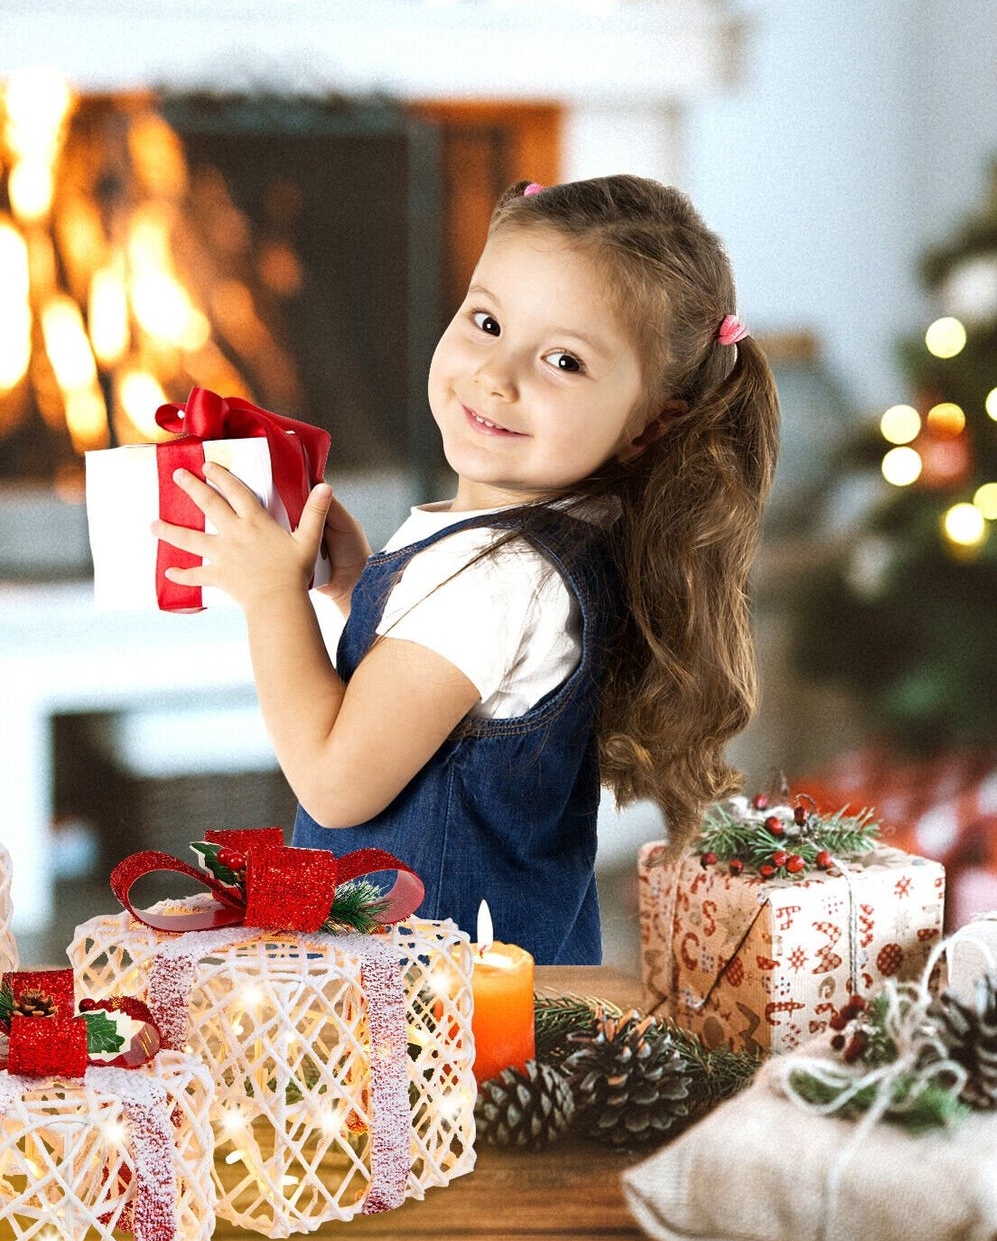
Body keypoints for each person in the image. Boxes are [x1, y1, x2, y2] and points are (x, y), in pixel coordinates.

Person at [152, 175, 780, 963]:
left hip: (428, 1009)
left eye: (563, 360)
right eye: (485, 321)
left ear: (649, 424)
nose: (495, 373)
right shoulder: (551, 539)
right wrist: (356, 593)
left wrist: (270, 597)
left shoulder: (494, 578)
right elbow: (450, 704)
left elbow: (336, 783)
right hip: (493, 982)